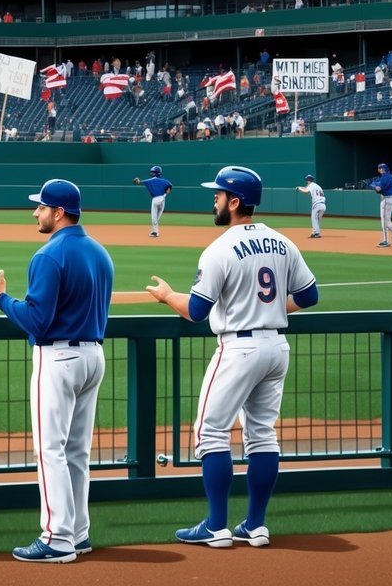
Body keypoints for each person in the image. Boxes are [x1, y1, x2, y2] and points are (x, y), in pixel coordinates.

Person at [145, 166, 318, 550]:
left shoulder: (220, 248)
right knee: (262, 435)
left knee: (211, 432)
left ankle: (216, 526)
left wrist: (166, 296)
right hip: (276, 349)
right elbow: (309, 296)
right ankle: (255, 526)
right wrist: (271, 312)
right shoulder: (283, 242)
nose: (214, 199)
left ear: (235, 202)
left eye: (219, 195)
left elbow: (195, 310)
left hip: (238, 349)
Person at [0, 179, 112, 564]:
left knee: (50, 449)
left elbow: (37, 320)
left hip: (59, 360)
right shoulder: (100, 252)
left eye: (40, 208)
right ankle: (79, 532)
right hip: (93, 355)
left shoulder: (49, 255)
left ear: (58, 213)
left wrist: (1, 299)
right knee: (76, 451)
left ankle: (56, 538)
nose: (35, 213)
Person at [132, 165, 173, 237]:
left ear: (156, 173)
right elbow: (169, 187)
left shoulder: (150, 180)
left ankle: (155, 232)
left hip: (155, 199)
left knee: (154, 217)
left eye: (153, 172)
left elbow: (138, 182)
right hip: (162, 199)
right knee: (157, 218)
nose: (151, 173)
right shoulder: (165, 181)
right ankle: (155, 231)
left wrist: (136, 180)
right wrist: (165, 195)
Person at [370, 163, 392, 247]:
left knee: (384, 221)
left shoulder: (386, 177)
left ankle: (386, 240)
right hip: (388, 198)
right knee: (386, 220)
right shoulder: (387, 177)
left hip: (387, 198)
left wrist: (372, 186)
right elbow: (378, 185)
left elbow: (378, 189)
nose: (379, 169)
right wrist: (374, 184)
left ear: (383, 169)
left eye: (380, 168)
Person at [295, 174, 326, 238]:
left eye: (307, 180)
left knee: (314, 219)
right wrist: (300, 187)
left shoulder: (311, 185)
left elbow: (306, 191)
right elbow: (306, 188)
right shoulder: (317, 186)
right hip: (323, 205)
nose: (306, 181)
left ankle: (317, 233)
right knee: (317, 220)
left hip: (317, 204)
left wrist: (299, 189)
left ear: (308, 181)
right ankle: (314, 232)